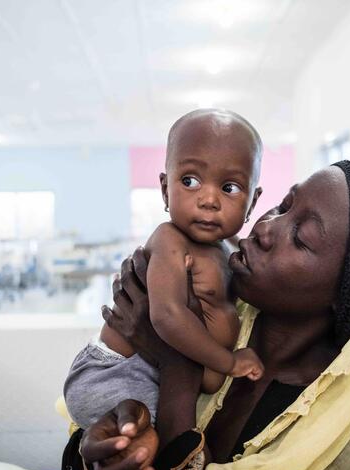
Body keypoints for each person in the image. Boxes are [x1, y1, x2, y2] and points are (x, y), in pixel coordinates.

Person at [62, 159, 350, 470]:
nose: (265, 228)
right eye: (283, 206)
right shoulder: (209, 307)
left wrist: (176, 362)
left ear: (349, 295)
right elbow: (108, 406)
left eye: (302, 238)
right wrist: (104, 456)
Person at [64, 109, 265, 431]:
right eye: (190, 181)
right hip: (116, 373)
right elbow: (167, 316)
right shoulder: (170, 240)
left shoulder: (232, 249)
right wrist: (228, 363)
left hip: (161, 376)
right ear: (165, 189)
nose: (209, 199)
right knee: (150, 435)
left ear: (252, 204)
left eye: (229, 188)